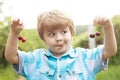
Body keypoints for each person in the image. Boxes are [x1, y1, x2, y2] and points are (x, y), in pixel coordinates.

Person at [5, 10, 117, 80]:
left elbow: (109, 51)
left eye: (64, 32)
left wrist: (107, 27)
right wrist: (14, 33)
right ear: (43, 39)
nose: (58, 38)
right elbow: (11, 56)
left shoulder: (84, 58)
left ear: (72, 33)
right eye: (52, 34)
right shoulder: (36, 59)